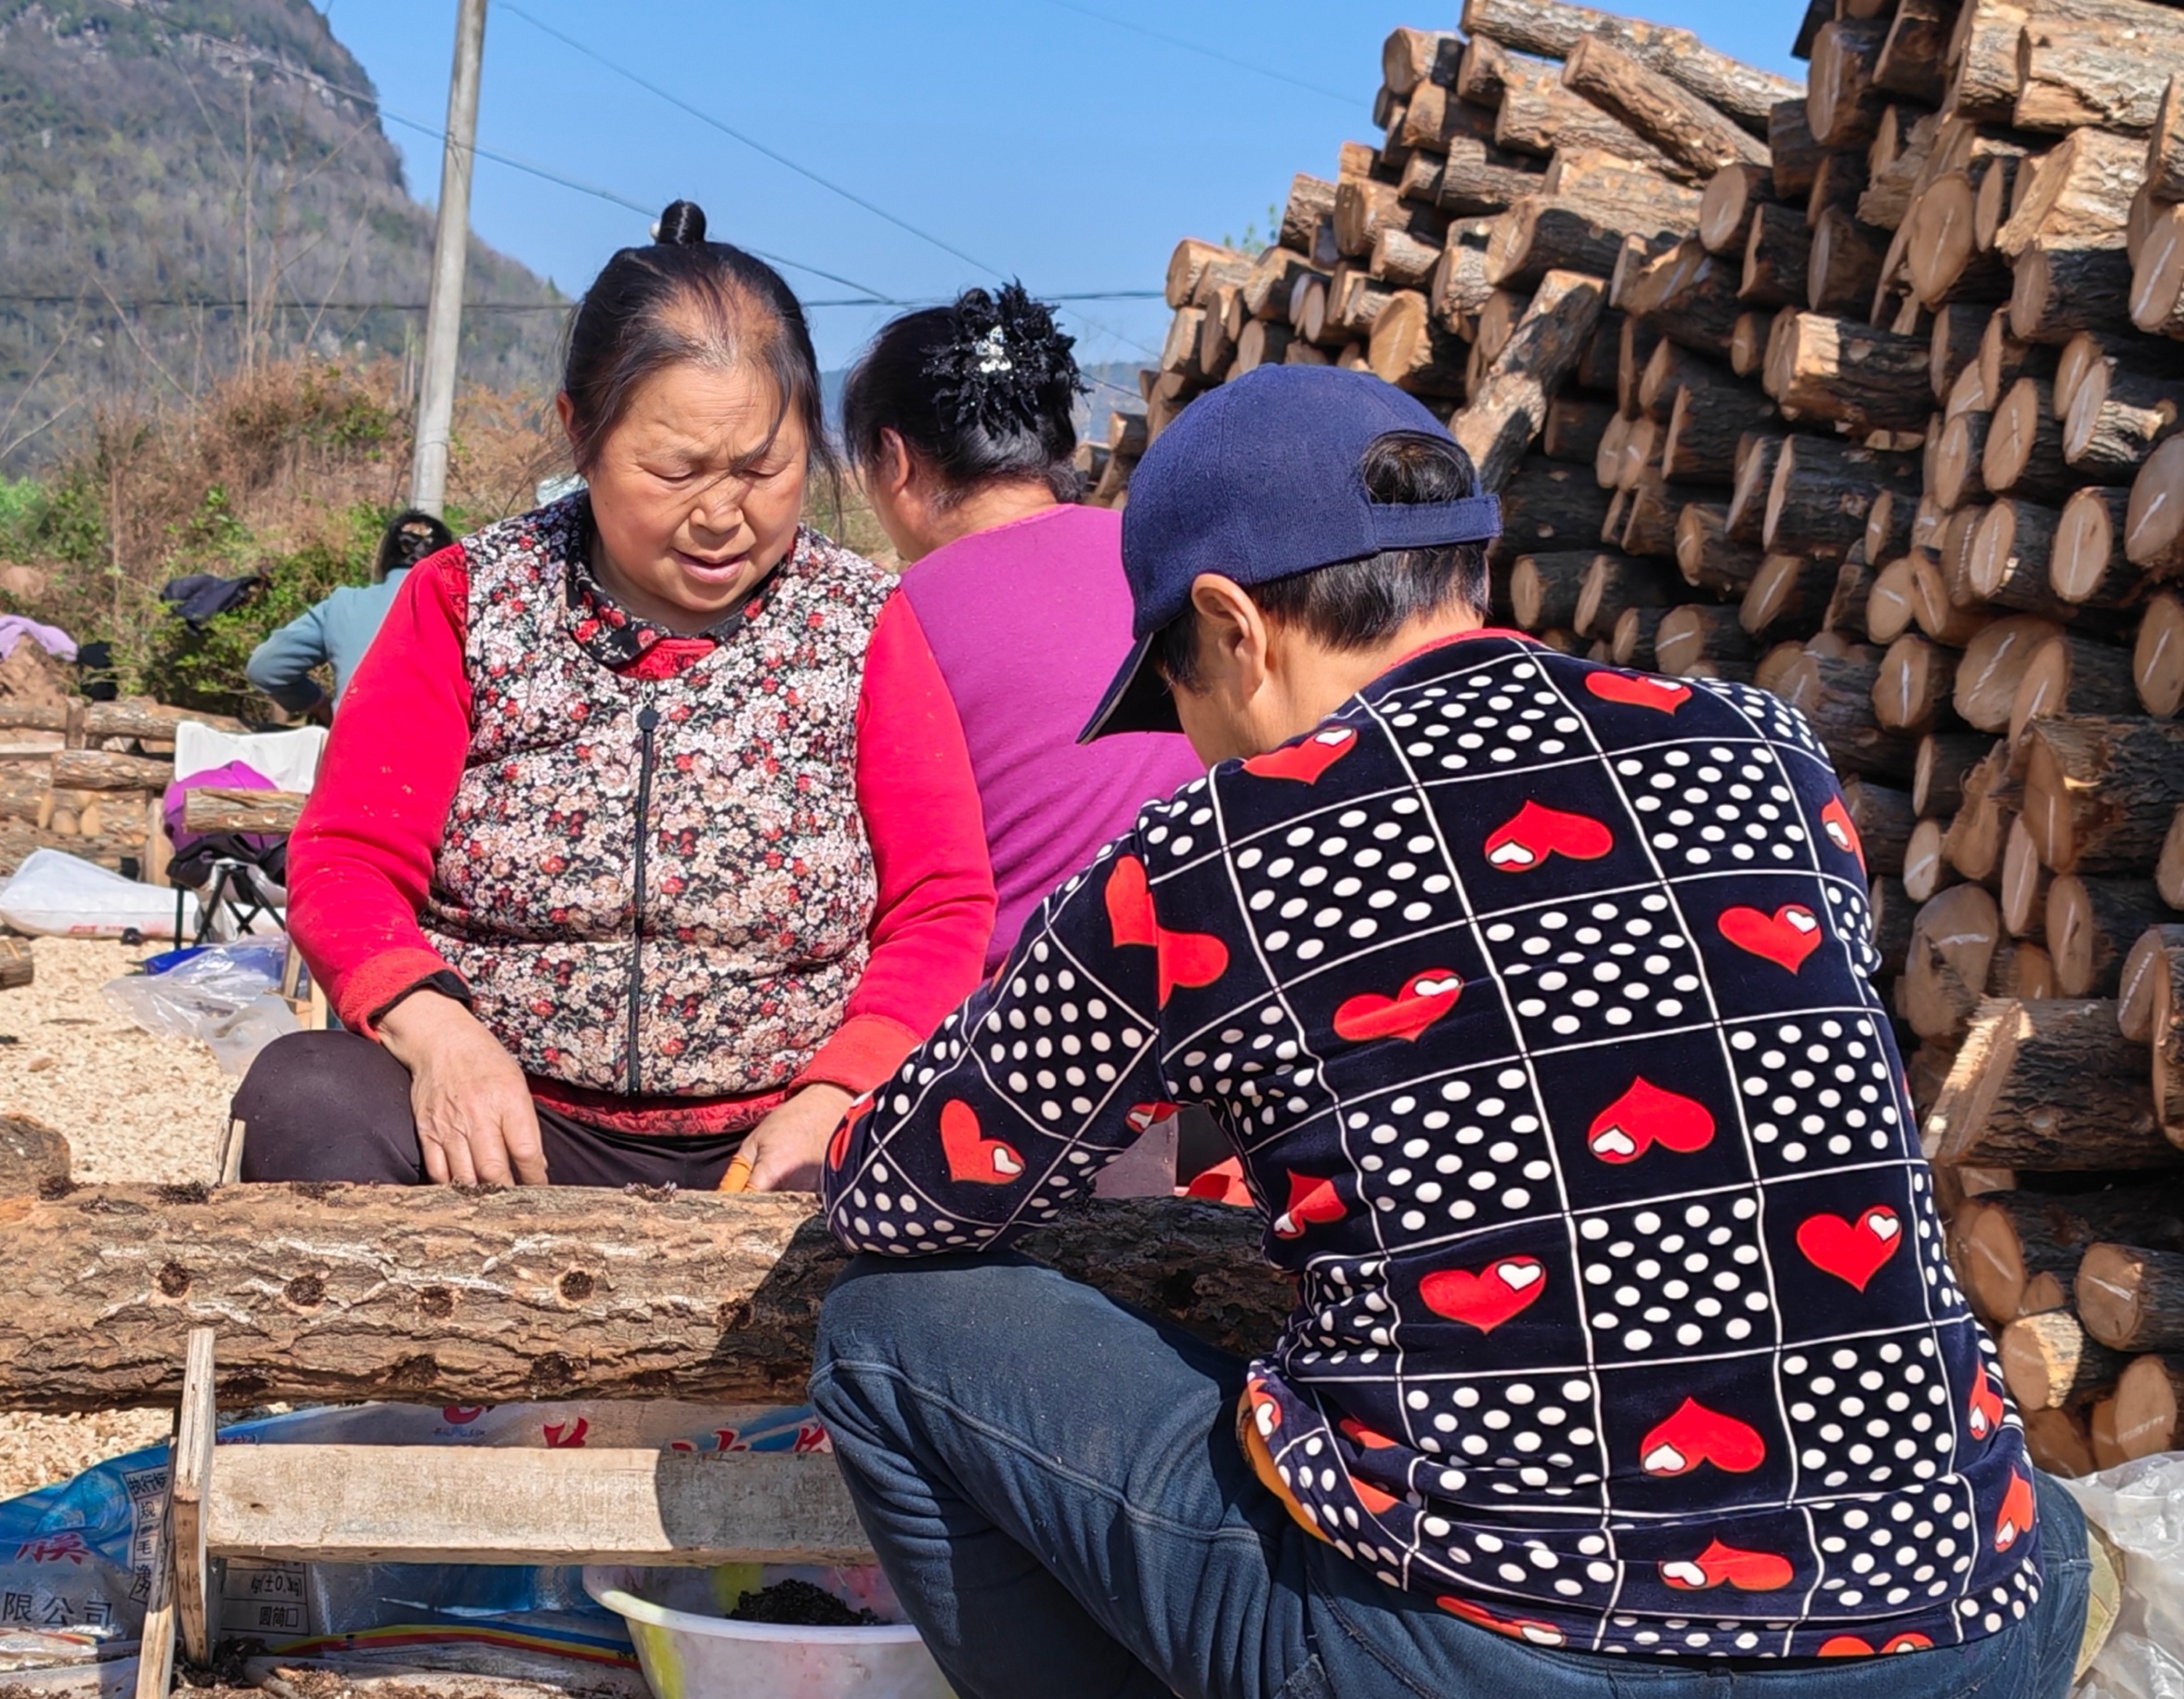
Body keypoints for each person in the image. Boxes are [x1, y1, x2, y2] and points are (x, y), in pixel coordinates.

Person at [779, 367, 2087, 1698]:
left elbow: (901, 1194)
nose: (1188, 742)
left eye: (1176, 692)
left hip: (1485, 1656)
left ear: (1231, 628)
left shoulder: (1222, 843)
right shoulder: (1766, 746)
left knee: (888, 1331)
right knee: (2036, 1519)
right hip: (1959, 1641)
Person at [229, 200, 996, 1190]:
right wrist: (441, 1037)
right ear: (580, 435)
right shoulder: (466, 602)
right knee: (306, 1094)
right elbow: (346, 860)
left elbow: (940, 903)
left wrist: (840, 1091)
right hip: (502, 1120)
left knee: (896, 1189)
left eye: (765, 468)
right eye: (673, 470)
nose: (723, 514)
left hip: (781, 1133)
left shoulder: (863, 624)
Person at [839, 284, 1202, 976]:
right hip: (1210, 969)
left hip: (1010, 1019)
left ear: (895, 457)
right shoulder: (1161, 553)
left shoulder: (890, 618)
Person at [245, 510, 454, 720]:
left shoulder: (343, 604)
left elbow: (264, 668)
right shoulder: (466, 615)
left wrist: (318, 703)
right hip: (441, 749)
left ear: (384, 558)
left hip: (354, 746)